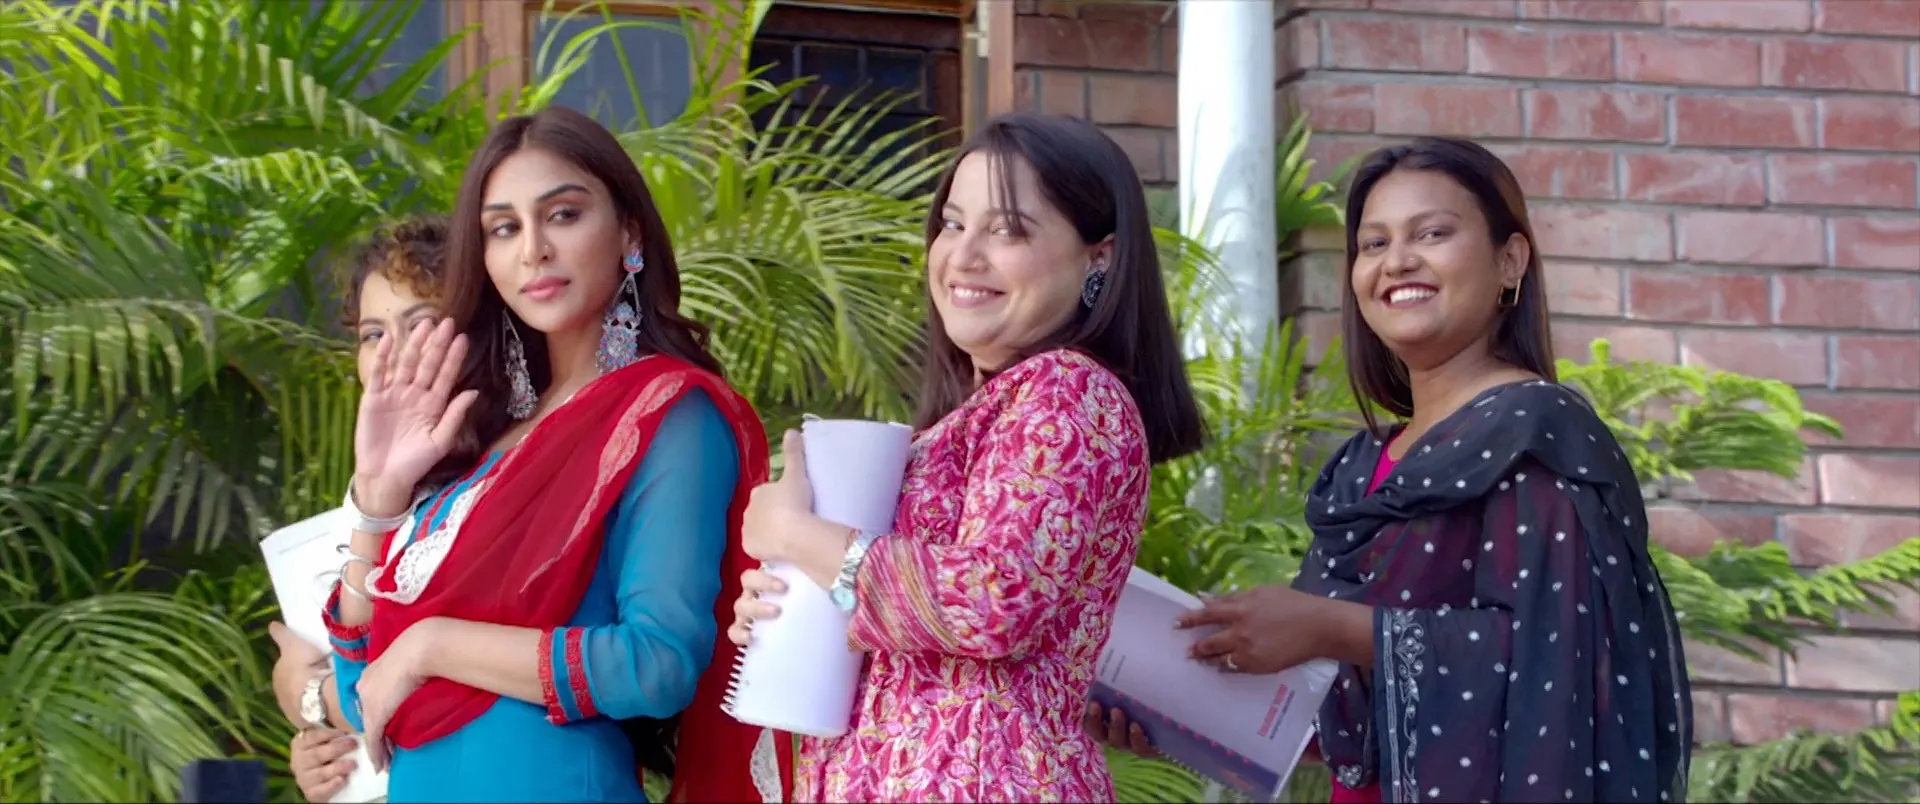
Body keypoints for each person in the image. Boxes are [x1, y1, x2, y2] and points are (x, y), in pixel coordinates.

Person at [1092, 137, 1693, 803]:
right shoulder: (1363, 465)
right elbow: (1355, 723)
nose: (1397, 261)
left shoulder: (1536, 432)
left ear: (1510, 260)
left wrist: (1332, 627)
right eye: (1373, 243)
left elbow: (1561, 659)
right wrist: (1186, 713)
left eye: (1432, 233)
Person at [309, 106, 792, 803]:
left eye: (562, 215)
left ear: (628, 232)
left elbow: (658, 663)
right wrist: (378, 500)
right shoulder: (485, 446)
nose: (533, 249)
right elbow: (367, 700)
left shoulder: (669, 412)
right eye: (504, 228)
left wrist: (431, 645)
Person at [724, 112, 1206, 803]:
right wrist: (789, 597)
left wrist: (798, 536)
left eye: (1008, 230)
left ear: (1098, 257)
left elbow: (992, 599)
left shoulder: (1069, 391)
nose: (964, 255)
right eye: (952, 224)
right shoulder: (969, 420)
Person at [268, 216, 452, 802]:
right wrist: (324, 751)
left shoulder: (510, 474)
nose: (391, 352)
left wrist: (314, 696)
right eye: (373, 334)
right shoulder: (382, 494)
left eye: (420, 324)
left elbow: (448, 688)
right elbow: (366, 685)